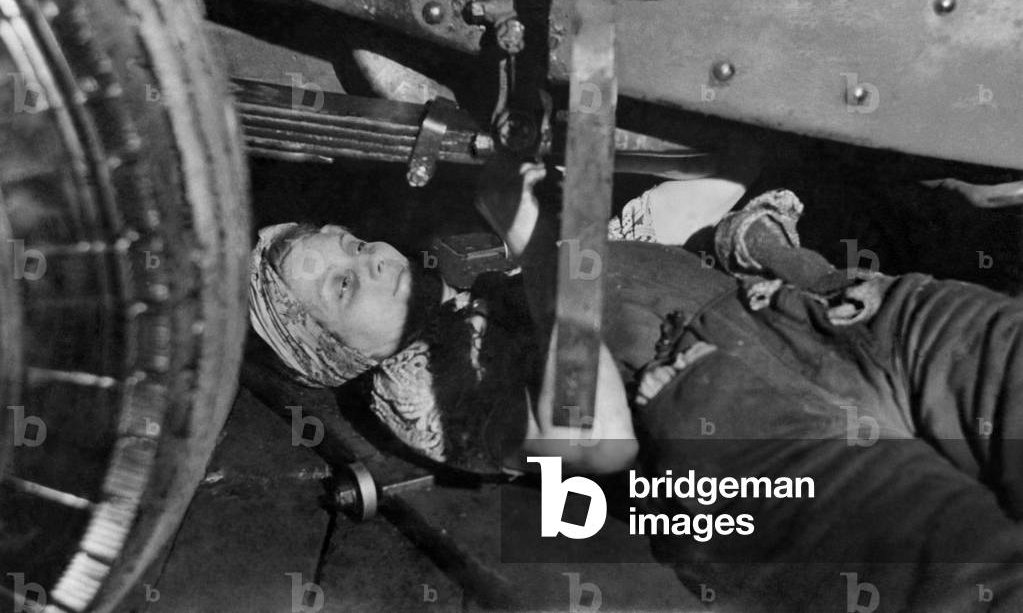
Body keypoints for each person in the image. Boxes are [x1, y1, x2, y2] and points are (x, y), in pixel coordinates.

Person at [249, 160, 1023, 612]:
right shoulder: (412, 389)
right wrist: (530, 232)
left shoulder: (476, 286)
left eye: (349, 245)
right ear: (334, 355)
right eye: (343, 288)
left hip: (818, 318)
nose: (370, 261)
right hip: (722, 430)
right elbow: (593, 440)